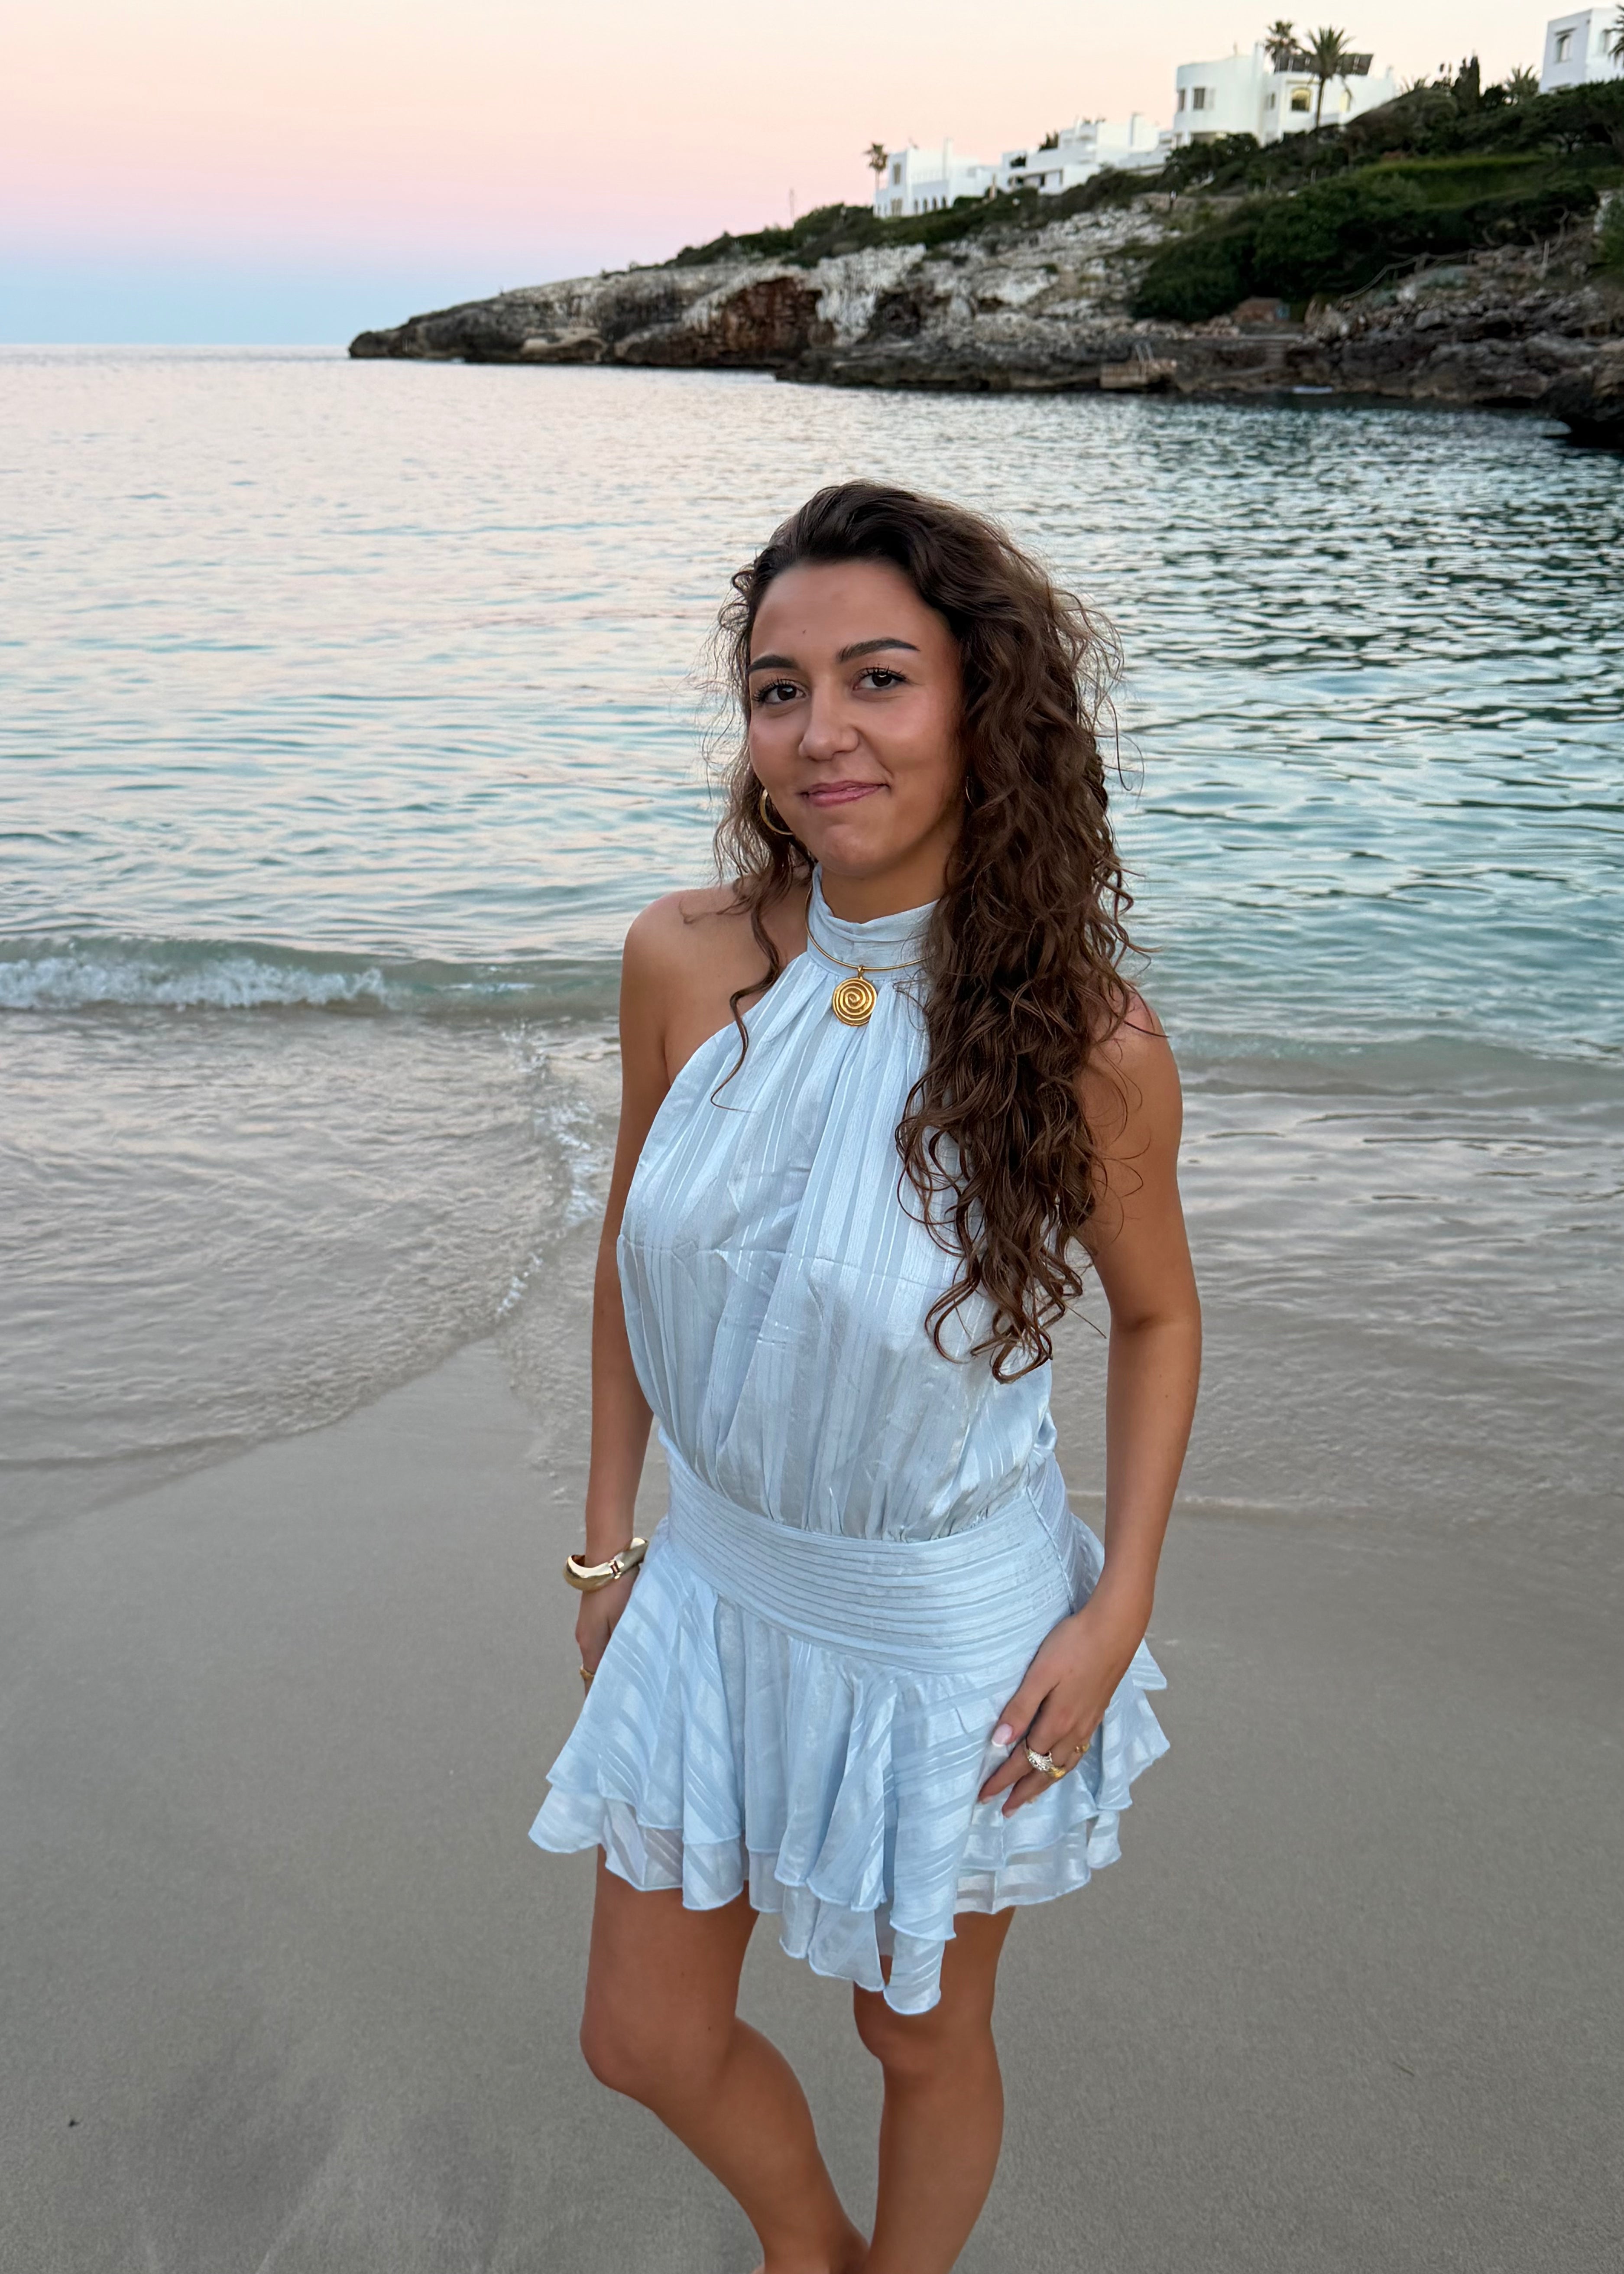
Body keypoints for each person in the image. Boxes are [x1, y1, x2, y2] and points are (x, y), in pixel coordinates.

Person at [530, 481, 1201, 2274]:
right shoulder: (683, 961)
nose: (820, 730)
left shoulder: (1083, 1044)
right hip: (710, 1584)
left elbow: (1157, 1320)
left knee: (914, 2033)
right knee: (642, 2035)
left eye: (877, 679)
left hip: (945, 1632)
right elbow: (630, 1259)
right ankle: (810, 2250)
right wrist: (607, 1544)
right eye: (779, 689)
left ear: (984, 703)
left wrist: (1119, 1604)